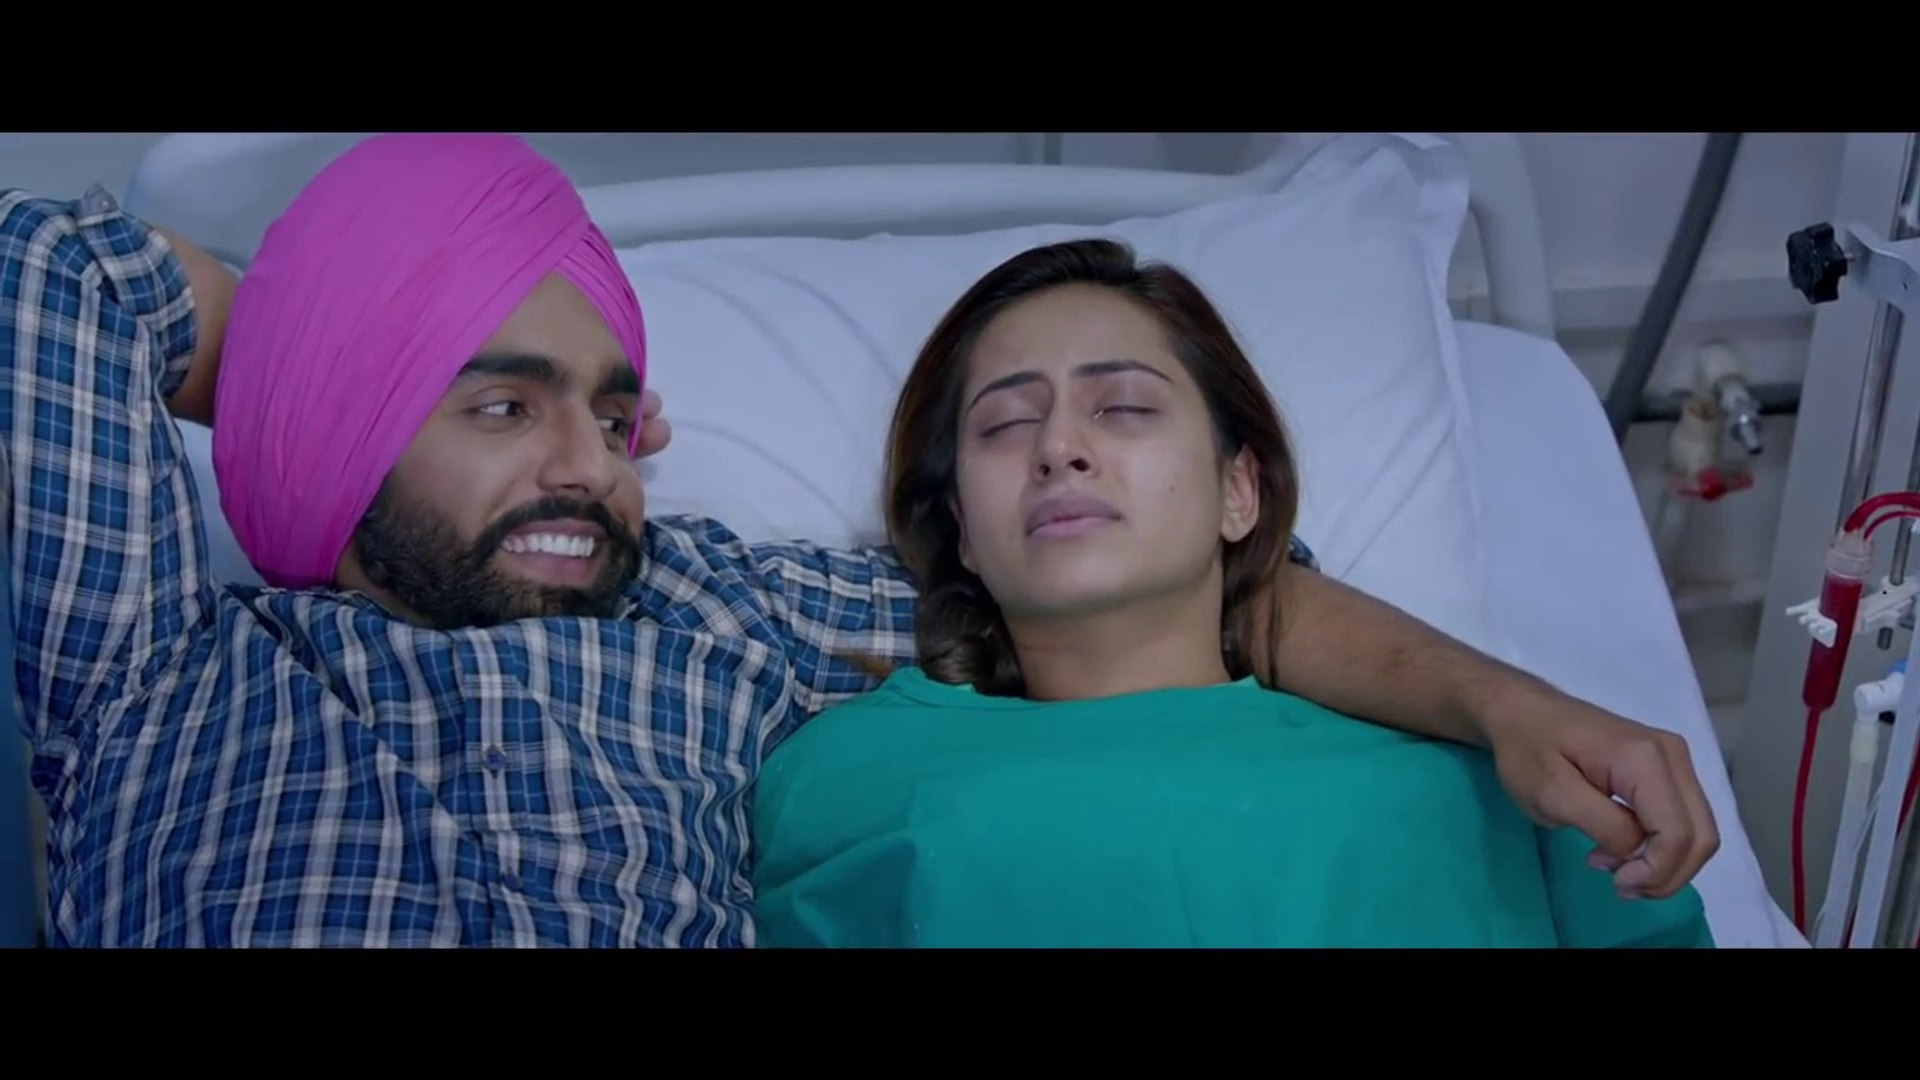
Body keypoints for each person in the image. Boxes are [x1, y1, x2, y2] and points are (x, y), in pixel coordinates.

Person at [0, 132, 1716, 948]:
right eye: (503, 404)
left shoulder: (712, 618)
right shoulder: (152, 664)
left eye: (617, 415)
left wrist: (1506, 704)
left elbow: (1149, 593)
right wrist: (328, 352)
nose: (590, 466)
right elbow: (46, 270)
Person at [747, 239, 1716, 948]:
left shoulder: (1504, 768)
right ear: (962, 525)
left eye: (1125, 407)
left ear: (1240, 491)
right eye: (1005, 425)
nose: (1060, 446)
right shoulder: (844, 774)